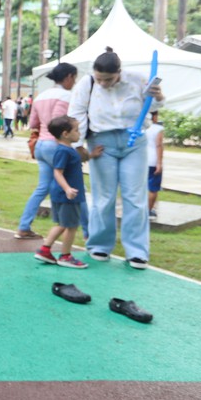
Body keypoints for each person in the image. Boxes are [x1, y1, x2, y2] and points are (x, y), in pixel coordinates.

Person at [68, 47, 164, 269]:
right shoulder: (87, 83)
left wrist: (158, 95)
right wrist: (78, 144)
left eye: (108, 79)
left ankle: (137, 251)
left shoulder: (138, 79)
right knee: (104, 196)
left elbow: (155, 105)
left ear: (119, 72)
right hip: (102, 142)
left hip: (134, 140)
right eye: (99, 78)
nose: (102, 83)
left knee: (135, 196)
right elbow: (77, 112)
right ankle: (99, 245)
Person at [15, 62, 82, 240]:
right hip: (56, 145)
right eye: (74, 78)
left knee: (43, 187)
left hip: (41, 145)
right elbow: (59, 124)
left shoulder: (40, 96)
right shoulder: (67, 97)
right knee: (74, 186)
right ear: (68, 77)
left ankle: (24, 226)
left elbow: (34, 124)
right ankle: (88, 232)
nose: (74, 82)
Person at [33, 116, 88, 269]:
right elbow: (57, 172)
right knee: (71, 226)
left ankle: (45, 250)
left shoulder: (67, 150)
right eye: (76, 130)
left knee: (62, 224)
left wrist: (93, 155)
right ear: (65, 134)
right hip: (67, 195)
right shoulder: (64, 151)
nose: (79, 133)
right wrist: (68, 189)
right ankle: (65, 255)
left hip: (61, 194)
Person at [146, 110, 164, 218]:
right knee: (153, 188)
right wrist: (159, 162)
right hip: (153, 161)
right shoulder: (158, 129)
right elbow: (159, 145)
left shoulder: (139, 127)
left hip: (140, 161)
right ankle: (148, 210)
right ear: (155, 117)